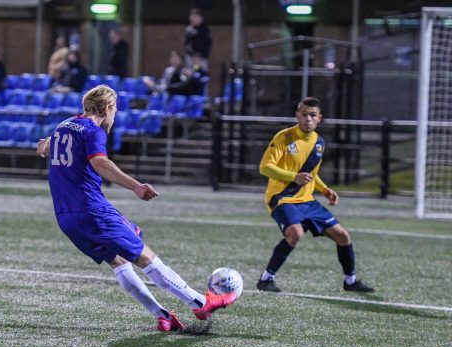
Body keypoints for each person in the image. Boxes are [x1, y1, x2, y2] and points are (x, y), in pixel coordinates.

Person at [36, 85, 236, 331]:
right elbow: (100, 162)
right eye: (115, 110)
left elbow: (46, 146)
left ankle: (163, 316)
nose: (114, 116)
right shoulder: (92, 131)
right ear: (107, 108)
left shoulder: (62, 126)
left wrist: (45, 147)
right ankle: (200, 303)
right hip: (93, 211)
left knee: (118, 261)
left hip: (66, 218)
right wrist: (135, 186)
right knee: (146, 258)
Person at [256, 97, 374, 293]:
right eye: (304, 114)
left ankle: (350, 281)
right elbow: (264, 167)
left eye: (312, 115)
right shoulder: (284, 138)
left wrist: (325, 190)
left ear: (320, 118)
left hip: (307, 201)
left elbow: (312, 175)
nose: (308, 119)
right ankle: (266, 279)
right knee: (295, 233)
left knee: (343, 236)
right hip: (282, 198)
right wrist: (294, 177)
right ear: (297, 116)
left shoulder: (319, 142)